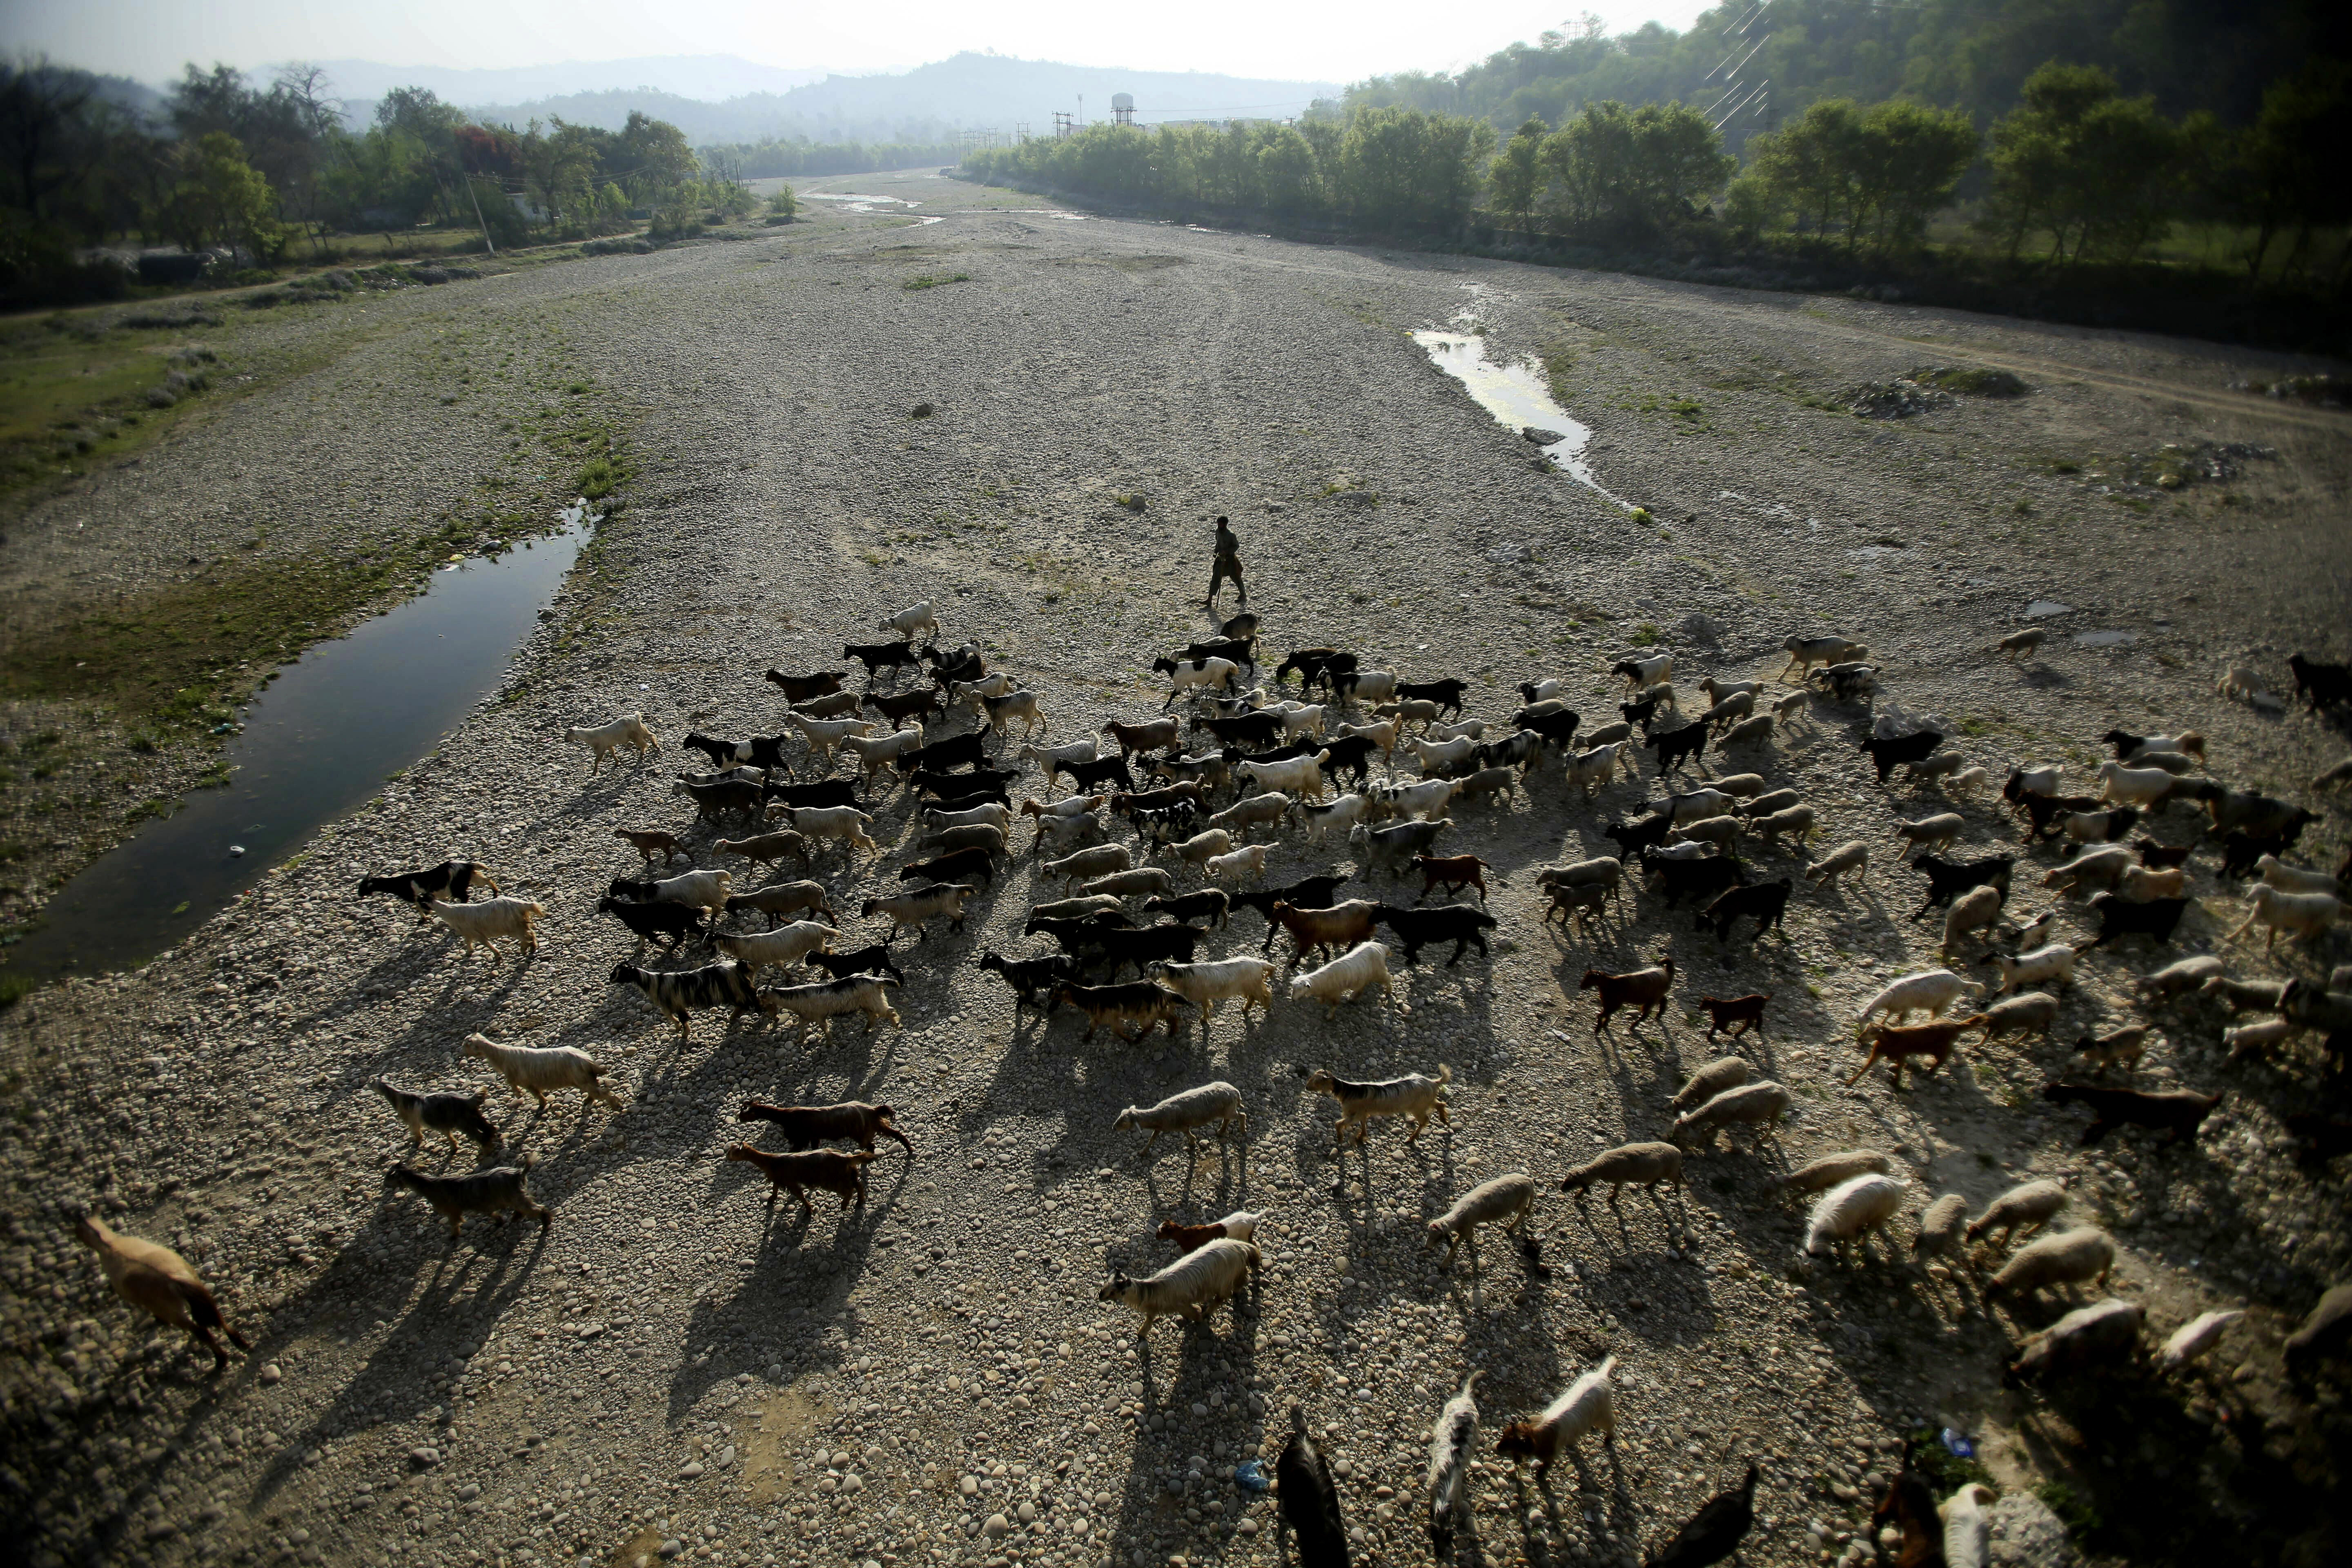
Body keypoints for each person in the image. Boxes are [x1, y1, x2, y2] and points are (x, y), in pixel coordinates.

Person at [1206, 515, 1246, 609]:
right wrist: (1216, 552)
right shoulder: (1218, 532)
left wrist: (1227, 551)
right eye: (1218, 524)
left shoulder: (1231, 535)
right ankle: (1209, 600)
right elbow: (1218, 543)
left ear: (1225, 524)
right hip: (1220, 559)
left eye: (1221, 524)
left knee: (1236, 578)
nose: (1219, 525)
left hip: (1230, 560)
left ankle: (1243, 595)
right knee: (1216, 578)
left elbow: (1236, 546)